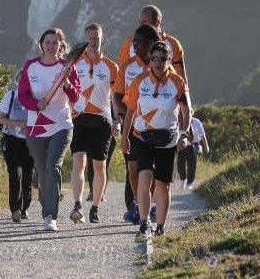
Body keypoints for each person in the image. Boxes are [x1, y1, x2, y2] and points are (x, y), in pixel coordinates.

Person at [121, 40, 191, 242]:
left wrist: (184, 132)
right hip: (142, 137)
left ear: (170, 60)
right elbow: (131, 111)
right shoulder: (139, 81)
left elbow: (186, 110)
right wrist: (125, 137)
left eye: (163, 59)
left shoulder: (178, 82)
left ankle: (160, 226)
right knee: (145, 176)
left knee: (163, 185)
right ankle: (144, 222)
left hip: (168, 139)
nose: (159, 63)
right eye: (154, 59)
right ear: (149, 60)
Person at [18, 28, 80, 231]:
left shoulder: (67, 67)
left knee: (53, 166)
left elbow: (75, 97)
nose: (52, 46)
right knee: (43, 170)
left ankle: (50, 216)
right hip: (36, 125)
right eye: (48, 42)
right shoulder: (31, 67)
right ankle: (47, 205)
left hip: (61, 124)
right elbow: (22, 95)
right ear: (42, 44)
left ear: (61, 46)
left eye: (56, 43)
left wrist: (68, 83)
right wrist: (35, 104)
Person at [68, 23, 118, 224]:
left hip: (102, 120)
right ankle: (77, 204)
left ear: (102, 39)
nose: (92, 42)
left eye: (96, 38)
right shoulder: (74, 63)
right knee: (79, 161)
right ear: (84, 39)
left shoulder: (110, 66)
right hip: (78, 118)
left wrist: (117, 120)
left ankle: (95, 207)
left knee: (99, 166)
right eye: (89, 38)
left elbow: (116, 97)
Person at [112, 24, 160, 223]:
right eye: (133, 42)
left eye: (138, 42)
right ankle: (139, 205)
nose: (134, 46)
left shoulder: (159, 64)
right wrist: (125, 114)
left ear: (150, 44)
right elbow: (117, 95)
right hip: (132, 124)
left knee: (151, 170)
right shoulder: (127, 65)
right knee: (133, 169)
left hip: (155, 126)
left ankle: (149, 204)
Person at [0, 75, 34, 223]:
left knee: (27, 176)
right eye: (22, 80)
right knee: (14, 174)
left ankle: (25, 208)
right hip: (11, 140)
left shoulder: (36, 98)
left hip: (31, 142)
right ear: (18, 82)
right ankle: (15, 209)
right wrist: (19, 123)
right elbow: (0, 119)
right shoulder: (11, 96)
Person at [116, 5, 186, 79]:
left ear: (157, 22)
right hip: (133, 89)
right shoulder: (129, 42)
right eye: (139, 22)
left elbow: (181, 76)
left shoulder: (173, 44)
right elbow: (120, 72)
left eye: (144, 22)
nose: (140, 25)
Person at [177, 115, 209, 189]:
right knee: (180, 163)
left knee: (192, 164)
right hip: (182, 145)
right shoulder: (179, 121)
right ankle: (183, 179)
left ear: (192, 113)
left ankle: (189, 183)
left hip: (194, 145)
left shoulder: (196, 122)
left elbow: (202, 134)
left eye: (190, 112)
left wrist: (206, 146)